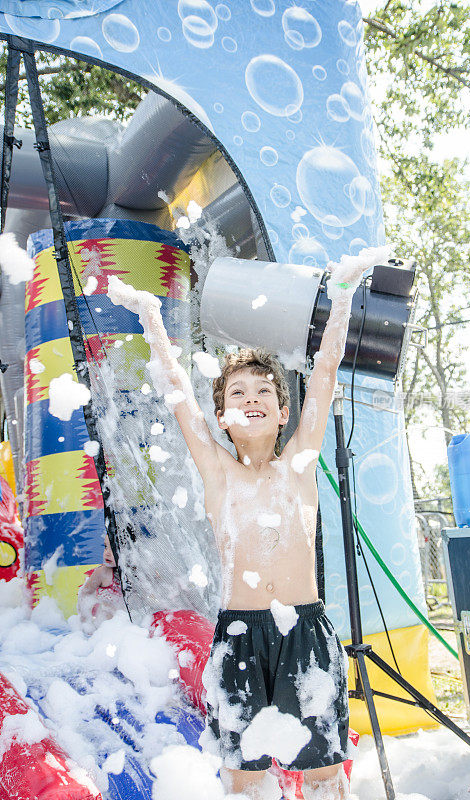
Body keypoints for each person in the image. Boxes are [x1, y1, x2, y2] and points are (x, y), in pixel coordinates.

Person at [121, 247, 387, 800]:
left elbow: (325, 374)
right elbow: (178, 398)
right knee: (243, 779)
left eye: (265, 390)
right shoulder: (219, 472)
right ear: (222, 417)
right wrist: (150, 316)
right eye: (238, 393)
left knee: (321, 774)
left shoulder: (299, 463)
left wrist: (341, 297)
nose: (253, 398)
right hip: (239, 635)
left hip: (304, 632)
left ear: (283, 412)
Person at [77, 534, 126, 633]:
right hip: (104, 629)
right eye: (105, 547)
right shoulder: (102, 573)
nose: (107, 553)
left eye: (112, 548)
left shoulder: (136, 574)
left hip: (125, 627)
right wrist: (86, 622)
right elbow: (84, 594)